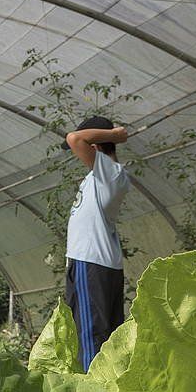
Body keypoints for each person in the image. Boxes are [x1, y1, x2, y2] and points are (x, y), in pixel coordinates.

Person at [64, 115, 131, 371]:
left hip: (90, 261)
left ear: (95, 146)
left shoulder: (110, 173)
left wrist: (115, 135)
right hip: (98, 262)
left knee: (91, 334)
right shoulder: (102, 176)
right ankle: (109, 389)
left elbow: (74, 138)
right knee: (105, 335)